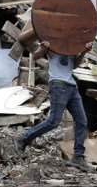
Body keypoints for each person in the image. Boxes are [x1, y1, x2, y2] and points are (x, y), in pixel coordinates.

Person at [13, 40, 92, 171]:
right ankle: (23, 139)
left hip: (72, 86)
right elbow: (36, 56)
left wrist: (84, 51)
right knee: (54, 121)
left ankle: (78, 156)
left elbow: (73, 66)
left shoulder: (72, 43)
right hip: (58, 84)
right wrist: (43, 48)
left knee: (82, 121)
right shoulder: (53, 39)